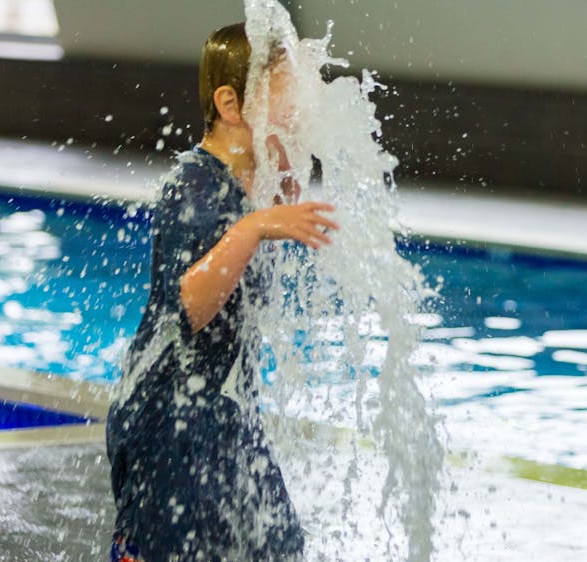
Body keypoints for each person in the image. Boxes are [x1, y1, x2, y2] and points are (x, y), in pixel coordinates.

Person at [106, 22, 338, 561]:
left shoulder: (253, 179)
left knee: (276, 545)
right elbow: (191, 304)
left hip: (222, 409)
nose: (301, 105)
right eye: (286, 91)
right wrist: (254, 227)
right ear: (231, 104)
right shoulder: (194, 183)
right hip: (168, 414)